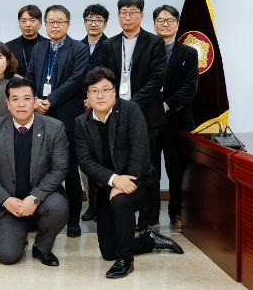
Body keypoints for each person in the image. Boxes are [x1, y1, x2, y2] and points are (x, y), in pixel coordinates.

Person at [74, 67, 183, 279]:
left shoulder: (130, 110)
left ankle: (126, 261)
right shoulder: (81, 122)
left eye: (105, 89)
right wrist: (115, 180)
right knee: (108, 252)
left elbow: (140, 150)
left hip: (140, 182)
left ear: (115, 91)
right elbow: (85, 161)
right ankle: (149, 240)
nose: (100, 95)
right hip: (108, 186)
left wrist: (127, 182)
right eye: (94, 91)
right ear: (87, 95)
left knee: (120, 201)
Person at [0, 78, 69, 266]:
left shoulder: (54, 128)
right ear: (7, 103)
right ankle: (19, 234)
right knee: (7, 256)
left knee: (58, 207)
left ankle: (42, 247)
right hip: (9, 205)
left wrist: (34, 197)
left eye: (27, 98)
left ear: (35, 101)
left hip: (41, 199)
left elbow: (60, 168)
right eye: (15, 99)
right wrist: (5, 200)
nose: (21, 104)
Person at [101, 0, 167, 229]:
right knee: (120, 164)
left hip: (147, 114)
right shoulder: (109, 45)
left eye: (132, 13)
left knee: (149, 167)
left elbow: (157, 78)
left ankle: (150, 218)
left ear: (141, 15)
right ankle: (121, 214)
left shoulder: (154, 43)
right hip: (116, 114)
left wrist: (131, 104)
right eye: (123, 13)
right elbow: (104, 77)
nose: (127, 17)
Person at [26, 4, 88, 237]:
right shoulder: (39, 48)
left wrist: (50, 100)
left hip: (66, 118)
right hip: (39, 116)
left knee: (69, 169)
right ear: (45, 24)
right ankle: (38, 216)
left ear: (68, 24)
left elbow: (76, 80)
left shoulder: (79, 49)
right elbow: (30, 77)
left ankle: (73, 220)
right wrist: (34, 100)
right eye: (51, 22)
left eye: (60, 22)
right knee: (39, 168)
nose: (55, 26)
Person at [153, 5, 199, 232]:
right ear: (154, 24)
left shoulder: (188, 53)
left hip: (177, 120)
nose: (165, 24)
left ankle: (176, 213)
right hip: (150, 120)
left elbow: (190, 88)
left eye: (170, 20)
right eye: (161, 20)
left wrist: (166, 104)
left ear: (177, 24)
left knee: (176, 170)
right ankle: (150, 215)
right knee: (150, 169)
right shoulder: (147, 50)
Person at [79, 3, 110, 222]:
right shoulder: (77, 46)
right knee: (86, 159)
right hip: (81, 109)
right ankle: (91, 205)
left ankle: (105, 205)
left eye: (98, 20)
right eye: (90, 19)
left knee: (104, 158)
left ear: (105, 24)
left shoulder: (110, 46)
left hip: (103, 108)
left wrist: (95, 99)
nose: (93, 23)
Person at [6, 5, 48, 78]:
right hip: (17, 84)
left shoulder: (49, 45)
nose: (28, 25)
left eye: (32, 20)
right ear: (19, 24)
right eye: (23, 21)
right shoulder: (9, 47)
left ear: (40, 24)